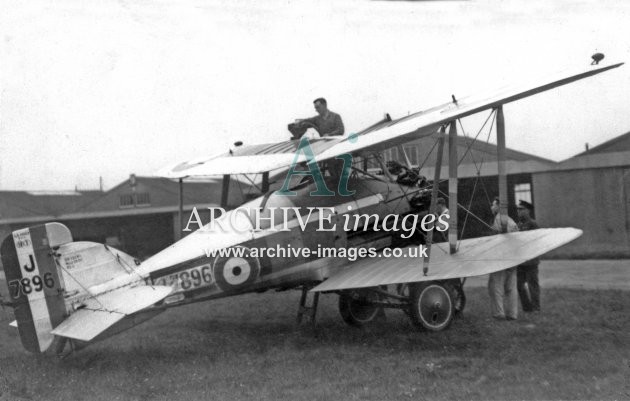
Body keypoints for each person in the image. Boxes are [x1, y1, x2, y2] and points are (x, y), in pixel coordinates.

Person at [488, 197, 519, 320]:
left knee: (496, 286)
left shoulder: (498, 219)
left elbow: (496, 239)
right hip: (513, 257)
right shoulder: (511, 221)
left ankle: (499, 313)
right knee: (511, 287)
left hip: (500, 258)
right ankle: (512, 314)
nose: (492, 207)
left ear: (499, 206)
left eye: (493, 204)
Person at [516, 200, 541, 312]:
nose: (519, 212)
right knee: (519, 285)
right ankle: (527, 308)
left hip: (531, 261)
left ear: (528, 211)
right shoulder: (518, 225)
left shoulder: (533, 224)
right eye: (518, 209)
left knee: (532, 286)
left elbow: (536, 241)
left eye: (521, 209)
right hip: (521, 262)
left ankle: (536, 308)